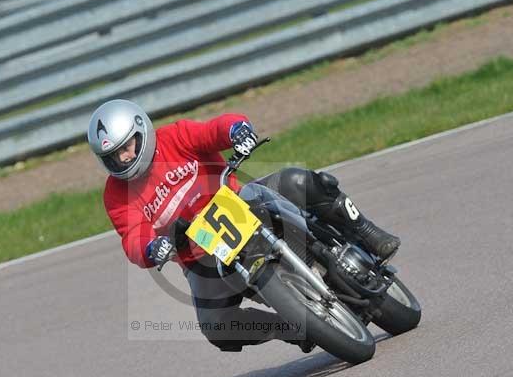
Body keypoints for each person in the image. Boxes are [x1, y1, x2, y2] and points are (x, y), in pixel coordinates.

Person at [88, 99, 400, 352]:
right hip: (200, 254)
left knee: (299, 181)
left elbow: (214, 130)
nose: (125, 158)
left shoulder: (174, 136)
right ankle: (291, 326)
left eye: (128, 146)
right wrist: (150, 248)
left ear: (142, 131)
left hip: (241, 200)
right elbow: (132, 235)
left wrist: (237, 130)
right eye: (114, 156)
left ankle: (368, 233)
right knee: (216, 326)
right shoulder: (116, 195)